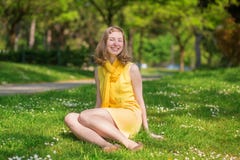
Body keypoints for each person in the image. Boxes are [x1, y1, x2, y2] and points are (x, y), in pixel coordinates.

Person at [64, 26, 163, 152]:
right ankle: (106, 145)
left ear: (123, 44)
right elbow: (99, 101)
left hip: (130, 114)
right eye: (112, 40)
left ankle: (128, 143)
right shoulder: (99, 70)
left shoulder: (131, 68)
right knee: (70, 117)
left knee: (84, 115)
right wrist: (91, 122)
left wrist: (148, 131)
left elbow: (140, 101)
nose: (116, 44)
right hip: (109, 114)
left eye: (119, 40)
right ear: (104, 43)